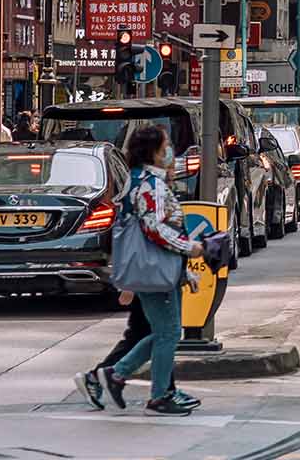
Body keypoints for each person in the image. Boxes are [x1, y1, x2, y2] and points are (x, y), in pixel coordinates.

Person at [79, 125, 202, 416]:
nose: (170, 150)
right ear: (154, 151)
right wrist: (189, 248)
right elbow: (156, 230)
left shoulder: (140, 181)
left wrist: (185, 272)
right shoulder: (150, 184)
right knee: (168, 333)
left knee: (163, 333)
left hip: (158, 270)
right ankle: (149, 391)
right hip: (156, 271)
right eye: (166, 145)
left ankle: (125, 378)